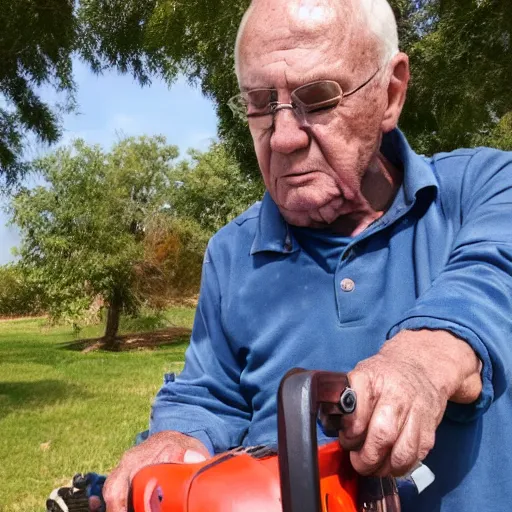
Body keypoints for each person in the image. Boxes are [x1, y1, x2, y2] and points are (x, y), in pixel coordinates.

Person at [74, 1, 512, 511]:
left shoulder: (484, 187)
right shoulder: (232, 253)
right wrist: (177, 438)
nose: (282, 137)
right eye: (260, 103)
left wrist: (424, 359)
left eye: (319, 98)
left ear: (390, 94)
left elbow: (493, 277)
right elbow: (209, 393)